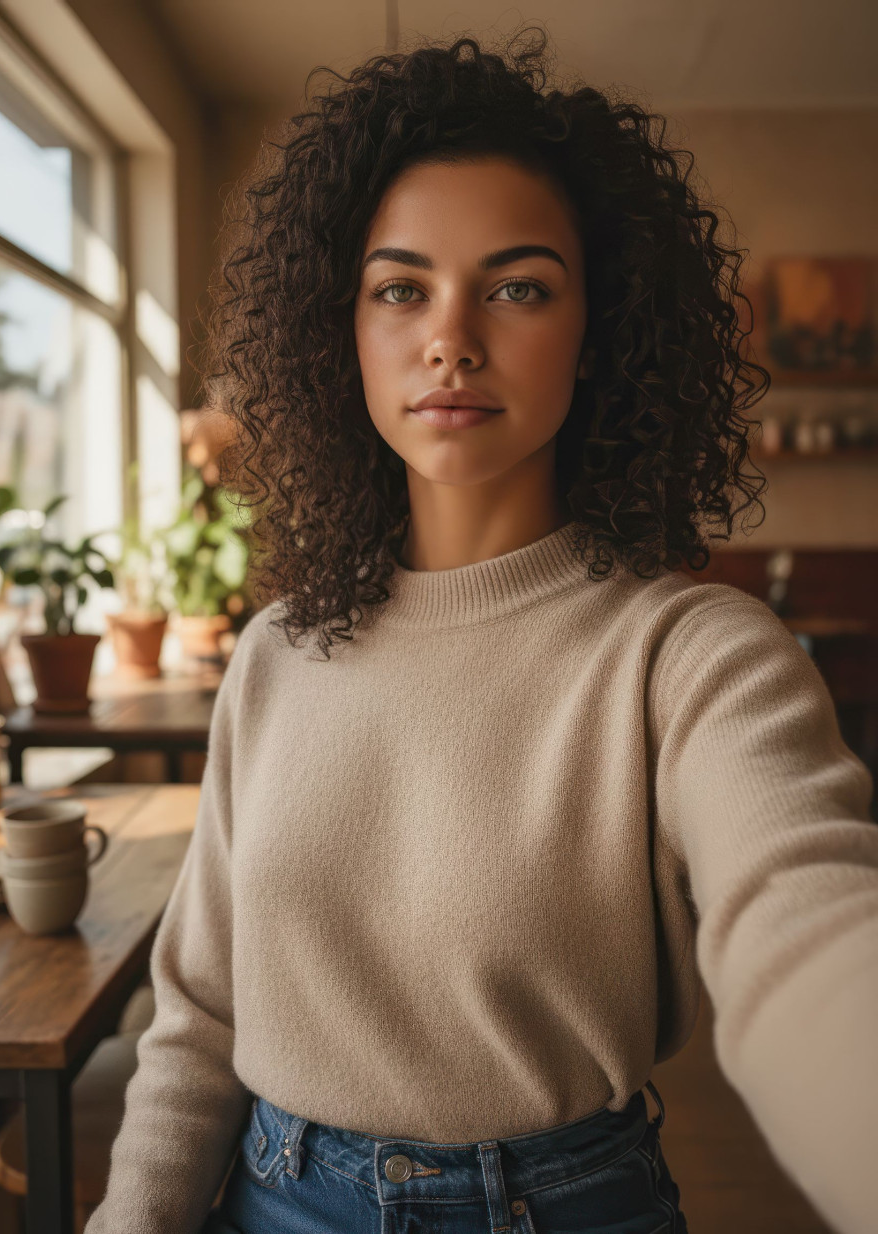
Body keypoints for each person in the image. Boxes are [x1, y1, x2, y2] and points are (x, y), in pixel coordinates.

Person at [85, 26, 878, 1234]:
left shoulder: (692, 656)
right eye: (401, 288)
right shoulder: (275, 656)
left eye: (517, 287)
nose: (451, 335)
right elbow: (198, 1015)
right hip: (273, 1198)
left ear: (597, 328)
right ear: (339, 332)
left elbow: (807, 925)